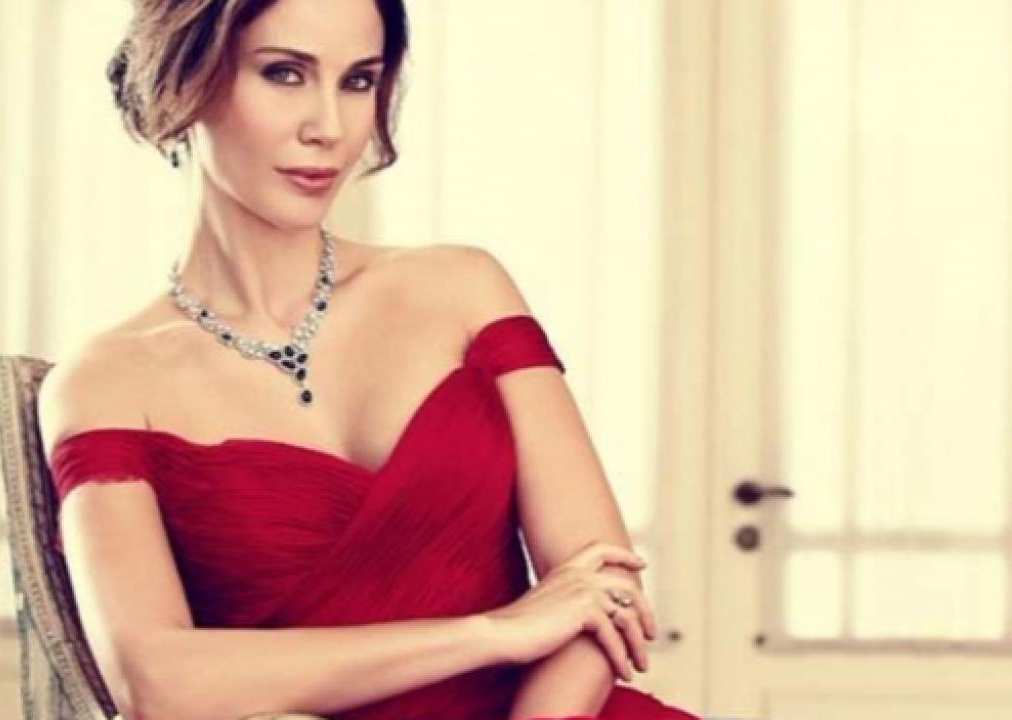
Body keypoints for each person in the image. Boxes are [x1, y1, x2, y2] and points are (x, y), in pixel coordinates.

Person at [38, 0, 700, 718]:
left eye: (358, 81)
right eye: (284, 73)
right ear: (181, 80)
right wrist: (493, 633)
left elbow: (603, 585)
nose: (330, 126)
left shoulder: (462, 288)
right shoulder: (107, 382)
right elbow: (155, 683)